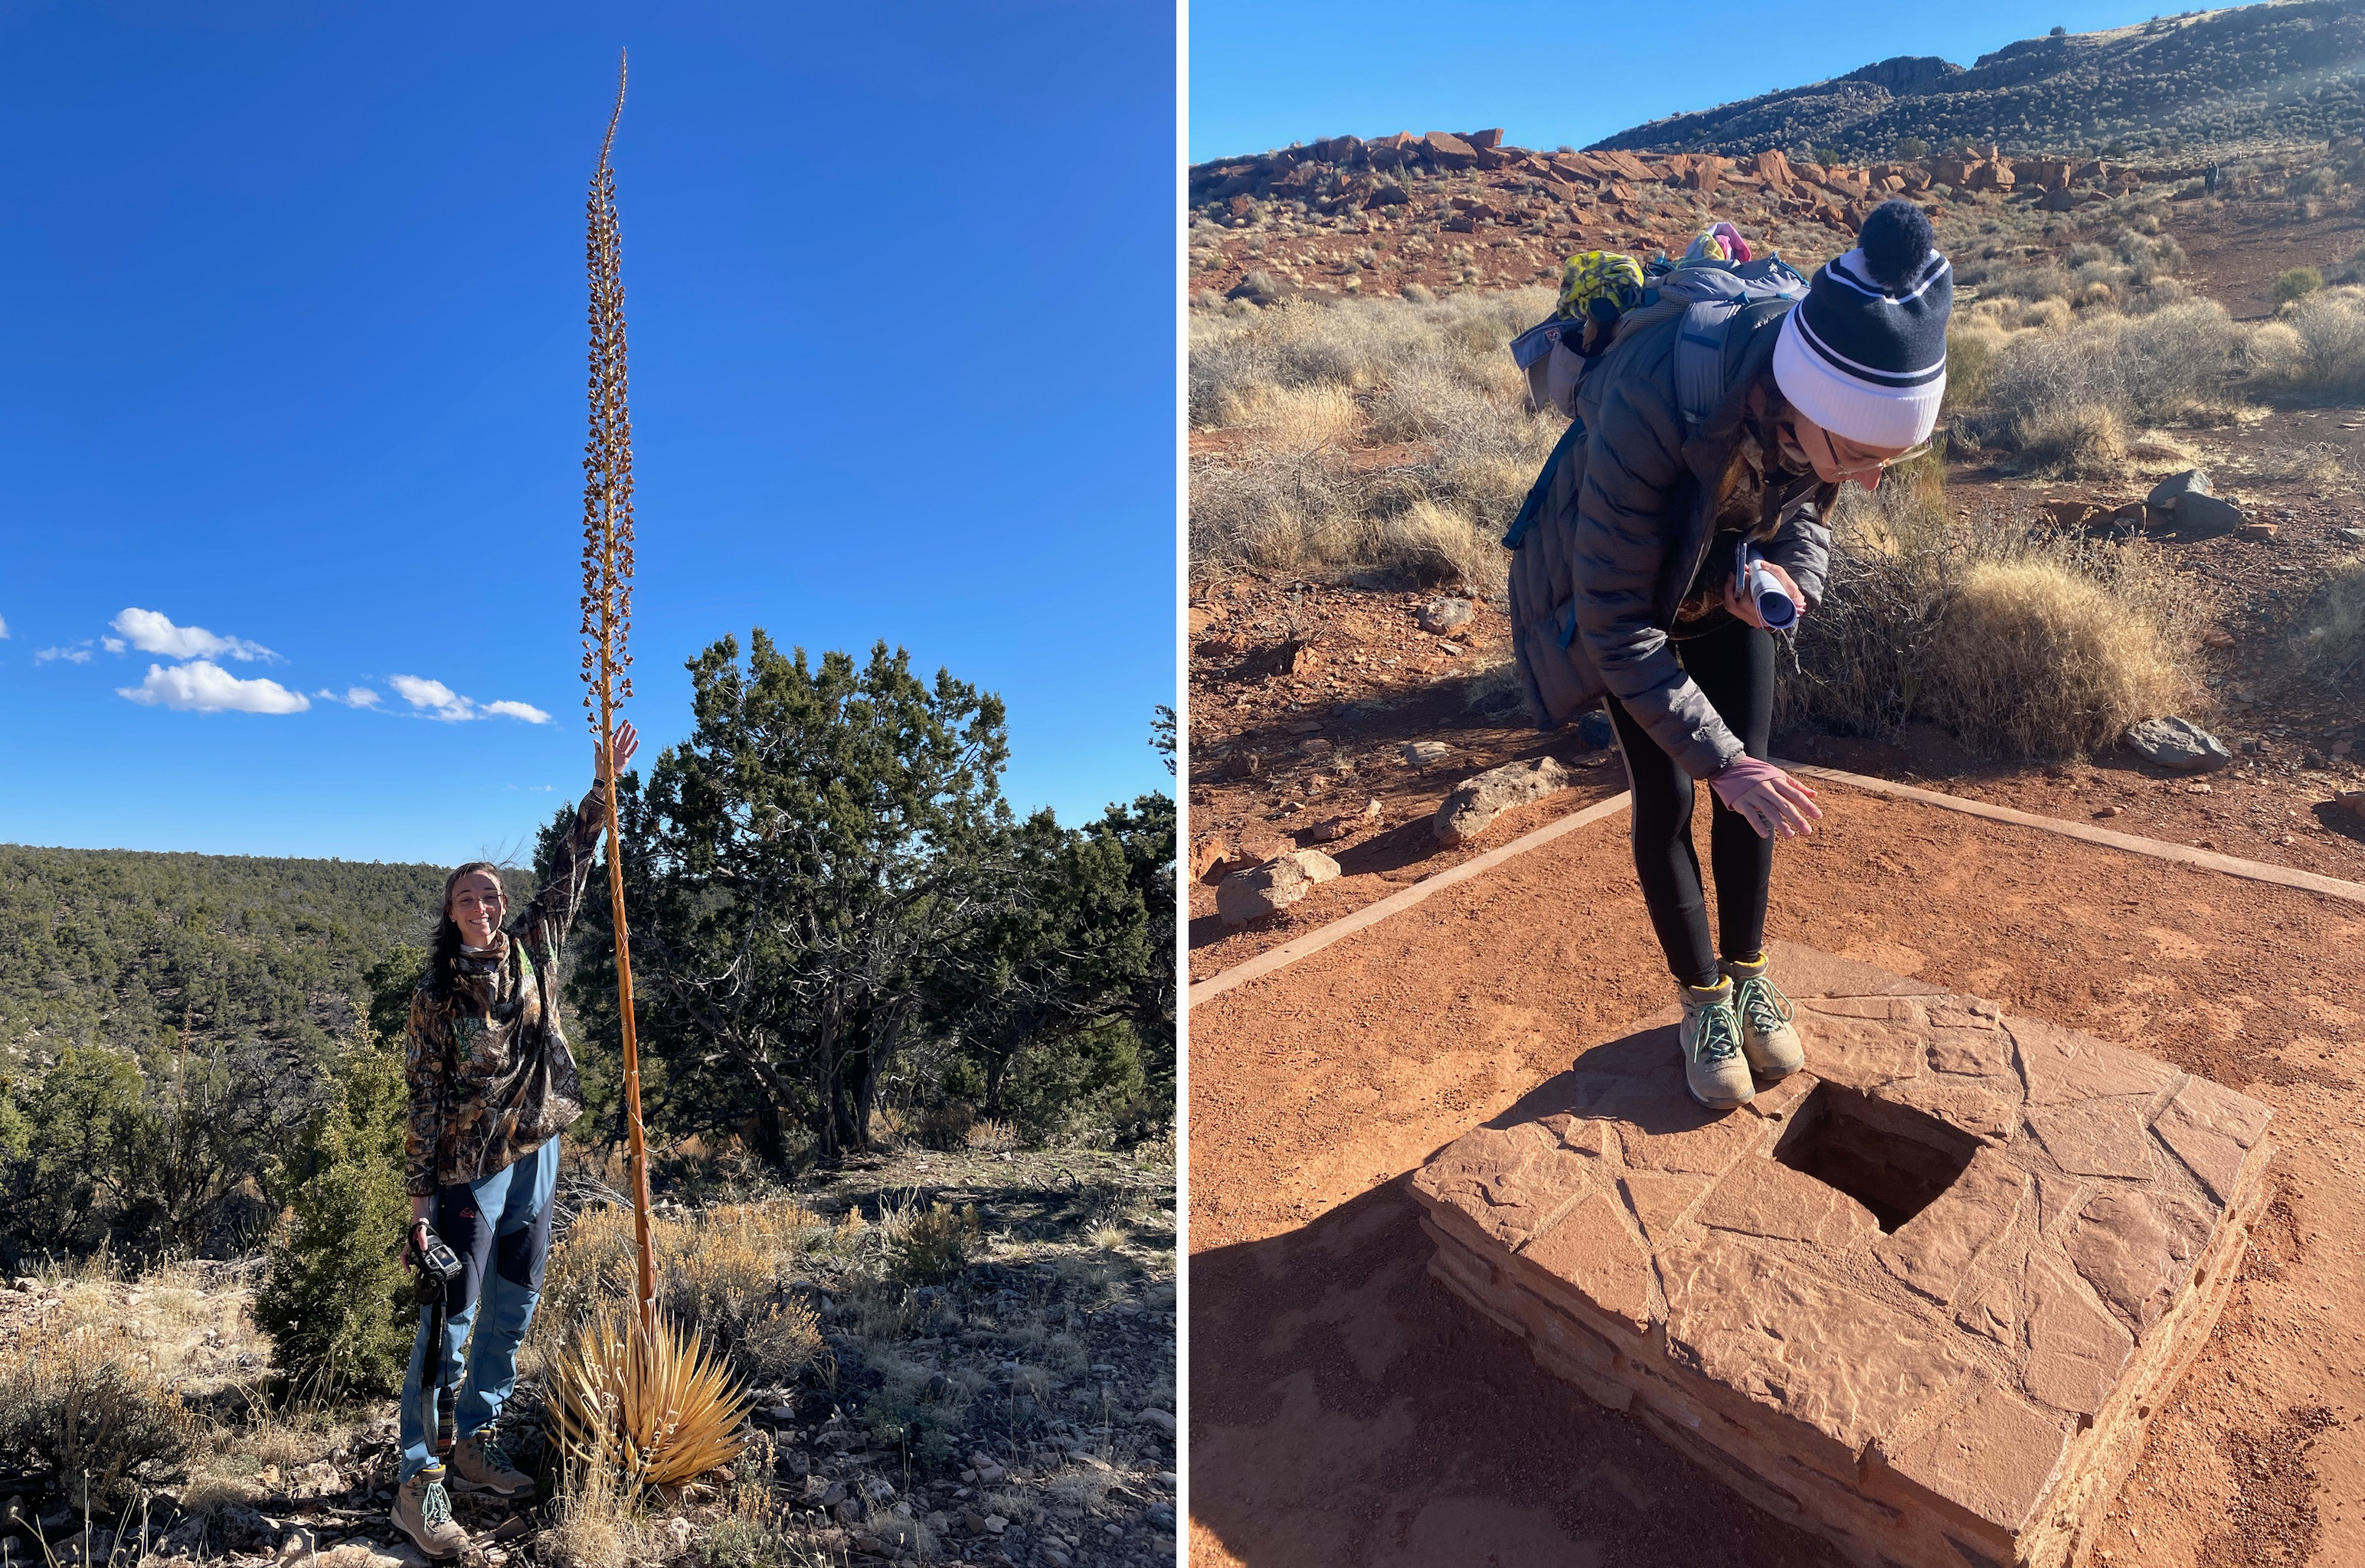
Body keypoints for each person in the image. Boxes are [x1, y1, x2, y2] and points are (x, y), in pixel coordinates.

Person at [1506, 200, 1951, 1112]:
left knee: (1754, 790)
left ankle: (1747, 971)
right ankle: (1702, 998)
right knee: (1675, 794)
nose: (1870, 477)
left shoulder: (1829, 413)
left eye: (1890, 461)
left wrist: (1783, 584)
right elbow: (1616, 625)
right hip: (1632, 607)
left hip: (1718, 587)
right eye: (1864, 455)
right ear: (1801, 401)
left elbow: (1808, 514)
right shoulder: (1650, 397)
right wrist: (1719, 762)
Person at [391, 720, 639, 1559]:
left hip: (540, 1150)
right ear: (449, 913)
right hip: (466, 1169)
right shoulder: (434, 995)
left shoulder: (533, 946)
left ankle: (477, 1443)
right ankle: (417, 1479)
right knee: (448, 1316)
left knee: (515, 1303)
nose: (482, 906)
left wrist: (601, 788)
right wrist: (419, 1200)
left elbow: (575, 861)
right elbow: (422, 1096)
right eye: (467, 897)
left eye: (491, 894)